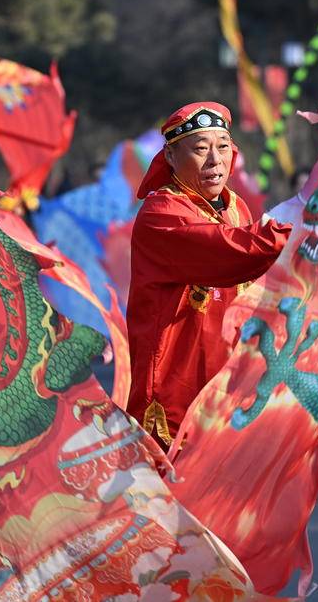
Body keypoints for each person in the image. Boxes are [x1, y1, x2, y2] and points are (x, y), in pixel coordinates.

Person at [126, 102, 291, 448]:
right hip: (175, 391)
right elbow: (231, 250)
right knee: (170, 498)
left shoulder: (235, 207)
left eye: (223, 146)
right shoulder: (161, 213)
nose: (215, 160)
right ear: (170, 157)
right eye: (201, 149)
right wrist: (299, 225)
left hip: (226, 386)